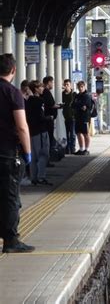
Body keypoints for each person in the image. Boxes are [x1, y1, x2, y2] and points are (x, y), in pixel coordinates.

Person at [0, 53, 35, 253]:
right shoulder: (13, 93)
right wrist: (28, 153)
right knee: (11, 198)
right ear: (13, 70)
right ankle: (11, 241)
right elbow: (22, 127)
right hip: (7, 154)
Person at [26, 80, 53, 186]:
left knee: (34, 155)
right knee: (44, 154)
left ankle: (33, 178)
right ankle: (41, 177)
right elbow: (41, 117)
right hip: (41, 131)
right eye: (40, 87)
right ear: (36, 89)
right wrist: (49, 117)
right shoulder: (39, 101)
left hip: (32, 131)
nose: (42, 89)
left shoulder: (28, 101)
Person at [42, 76, 61, 160]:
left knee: (49, 137)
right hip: (48, 119)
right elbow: (51, 104)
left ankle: (49, 155)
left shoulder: (45, 92)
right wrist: (59, 106)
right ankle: (49, 156)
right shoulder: (46, 92)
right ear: (48, 82)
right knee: (49, 137)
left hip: (47, 118)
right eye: (52, 82)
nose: (53, 84)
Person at [72, 81, 92, 155]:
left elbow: (85, 107)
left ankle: (87, 149)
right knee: (78, 133)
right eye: (79, 87)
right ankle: (81, 149)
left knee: (86, 133)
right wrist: (80, 105)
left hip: (85, 117)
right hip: (77, 117)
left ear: (84, 87)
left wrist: (79, 105)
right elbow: (73, 105)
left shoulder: (87, 96)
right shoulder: (77, 96)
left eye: (82, 87)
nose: (80, 88)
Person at [62, 79, 76, 154]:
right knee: (66, 133)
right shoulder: (62, 94)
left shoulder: (74, 94)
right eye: (65, 85)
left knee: (72, 133)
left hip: (73, 117)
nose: (66, 86)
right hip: (65, 117)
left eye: (68, 84)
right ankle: (67, 148)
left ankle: (72, 148)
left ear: (70, 85)